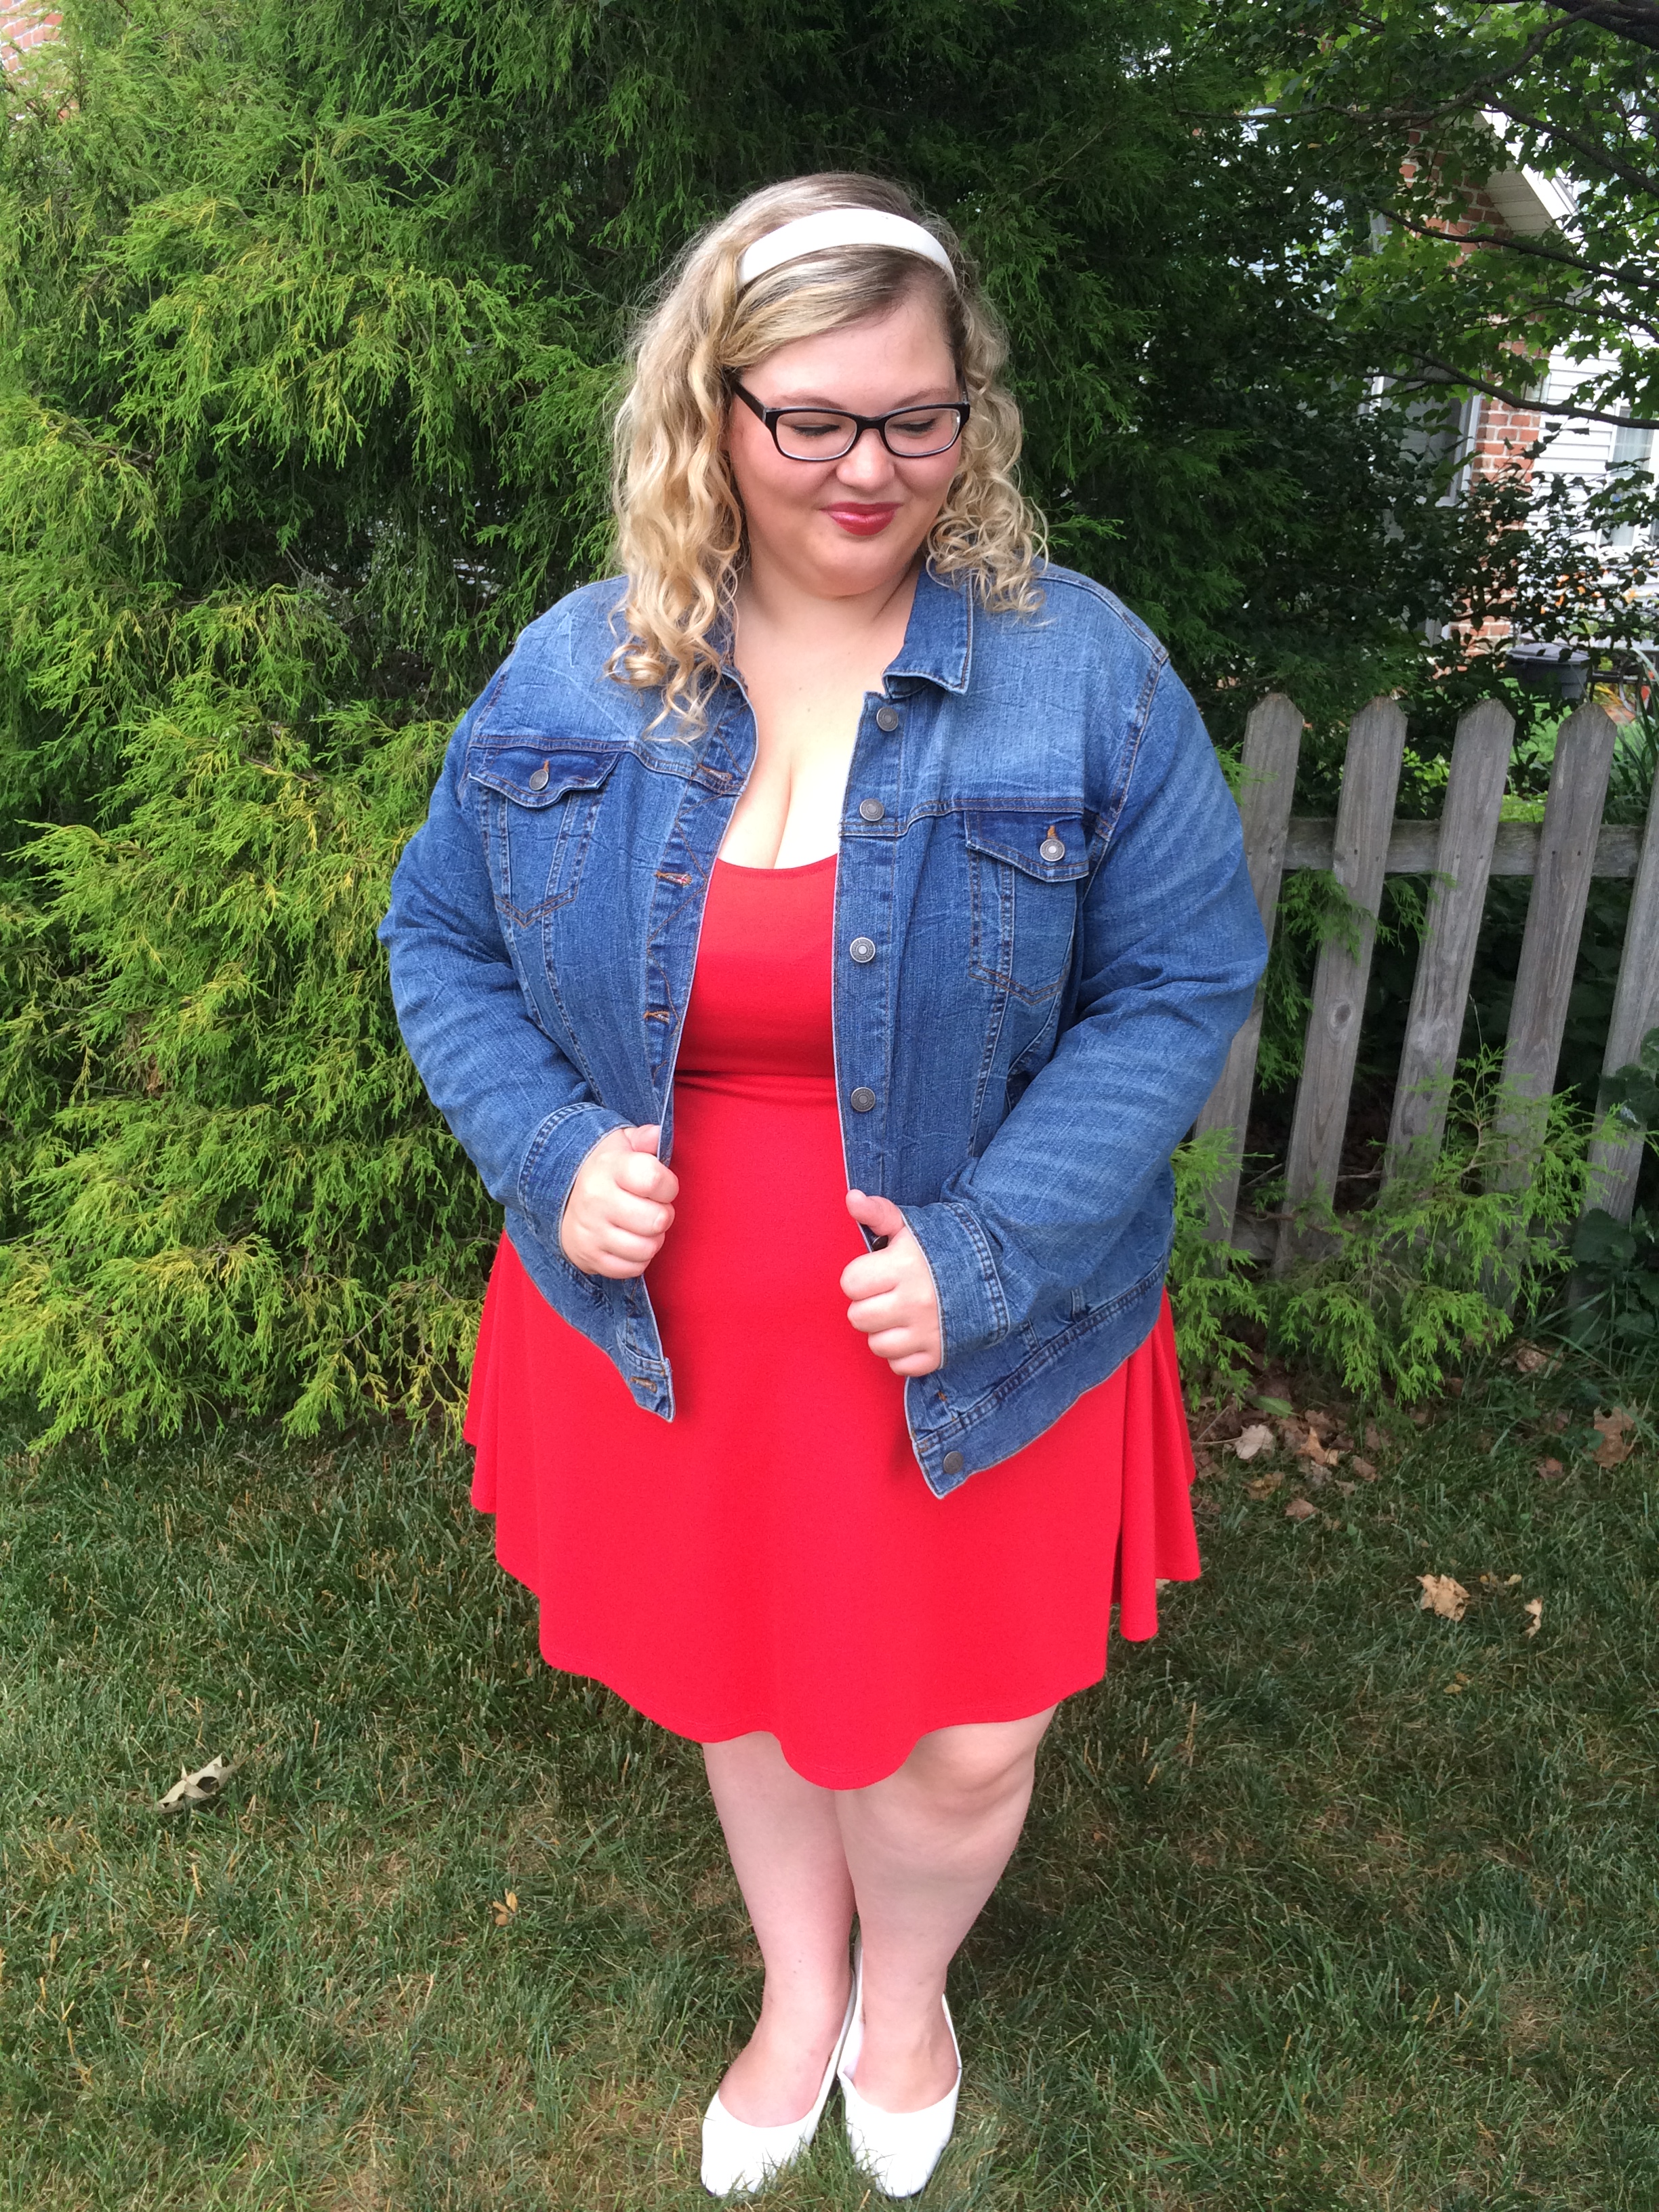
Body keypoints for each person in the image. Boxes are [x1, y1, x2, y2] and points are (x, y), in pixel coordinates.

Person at [380, 171, 1267, 2200]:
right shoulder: (580, 670)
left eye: (917, 416)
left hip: (982, 1322)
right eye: (815, 420)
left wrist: (997, 1246)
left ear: (972, 414)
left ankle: (907, 1997)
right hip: (681, 1320)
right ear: (712, 412)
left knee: (967, 1741)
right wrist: (546, 1151)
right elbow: (438, 937)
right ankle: (801, 1990)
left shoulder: (1085, 674)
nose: (871, 469)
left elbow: (1181, 980)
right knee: (750, 1681)